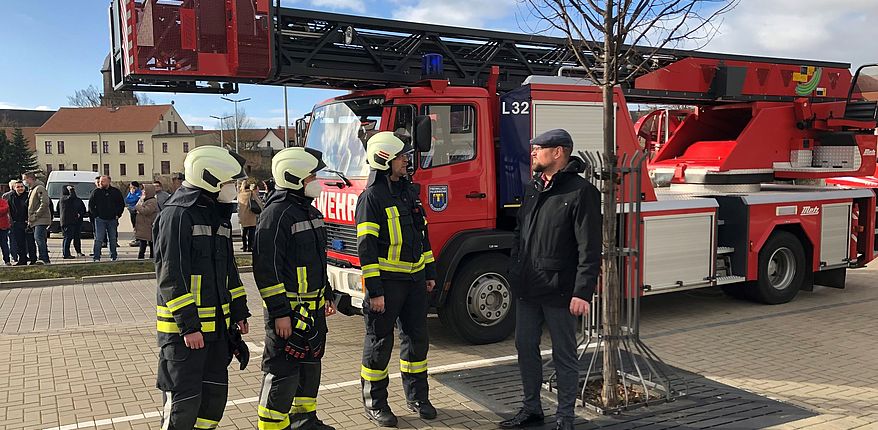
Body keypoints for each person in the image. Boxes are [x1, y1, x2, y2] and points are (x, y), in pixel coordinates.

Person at [498, 129, 601, 430]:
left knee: (564, 355)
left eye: (538, 149)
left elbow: (589, 247)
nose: (532, 153)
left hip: (561, 290)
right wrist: (515, 268)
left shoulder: (581, 193)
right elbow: (520, 233)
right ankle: (532, 409)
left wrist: (583, 291)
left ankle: (565, 418)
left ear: (558, 153)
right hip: (528, 287)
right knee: (525, 347)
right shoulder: (534, 188)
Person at [153, 145, 251, 430]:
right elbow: (171, 276)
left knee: (212, 403)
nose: (233, 188)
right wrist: (189, 326)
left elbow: (228, 272)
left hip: (217, 332)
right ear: (210, 178)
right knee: (182, 407)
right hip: (186, 336)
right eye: (228, 182)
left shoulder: (215, 215)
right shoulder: (178, 215)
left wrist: (239, 312)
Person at [356, 132, 437, 427]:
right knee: (379, 344)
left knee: (417, 341)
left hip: (414, 282)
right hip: (387, 285)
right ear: (385, 159)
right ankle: (375, 403)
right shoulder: (371, 198)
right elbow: (366, 249)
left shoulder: (408, 192)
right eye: (402, 156)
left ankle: (418, 397)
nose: (407, 161)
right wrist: (375, 291)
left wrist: (429, 273)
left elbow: (422, 235)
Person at [253, 147, 337, 430]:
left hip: (313, 310)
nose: (317, 180)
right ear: (295, 177)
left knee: (310, 368)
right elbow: (267, 270)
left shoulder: (310, 211)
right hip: (288, 313)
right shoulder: (276, 215)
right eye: (312, 175)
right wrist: (280, 313)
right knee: (282, 373)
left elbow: (317, 260)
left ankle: (304, 421)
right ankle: (271, 426)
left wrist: (326, 294)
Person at [88, 176, 125, 262]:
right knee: (99, 239)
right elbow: (91, 206)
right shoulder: (96, 192)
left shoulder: (115, 192)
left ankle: (113, 256)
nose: (100, 183)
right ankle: (96, 257)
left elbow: (121, 204)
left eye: (103, 181)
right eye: (100, 181)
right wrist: (96, 215)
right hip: (100, 219)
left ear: (108, 182)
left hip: (112, 219)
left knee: (112, 238)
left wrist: (118, 214)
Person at [23, 171, 51, 265]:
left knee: (38, 237)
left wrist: (36, 215)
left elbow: (45, 203)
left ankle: (44, 258)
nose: (24, 181)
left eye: (25, 179)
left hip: (40, 219)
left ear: (30, 179)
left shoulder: (39, 188)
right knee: (40, 238)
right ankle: (44, 258)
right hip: (36, 219)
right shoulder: (32, 189)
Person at [59, 185, 87, 259]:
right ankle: (66, 254)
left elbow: (83, 209)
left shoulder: (77, 200)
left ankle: (77, 251)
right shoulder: (64, 198)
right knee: (68, 238)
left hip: (75, 221)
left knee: (75, 237)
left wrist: (79, 214)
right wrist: (71, 190)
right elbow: (72, 197)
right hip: (67, 222)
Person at [135, 184, 159, 259]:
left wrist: (138, 206)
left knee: (150, 243)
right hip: (143, 227)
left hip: (149, 226)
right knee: (143, 243)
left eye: (144, 190)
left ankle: (152, 258)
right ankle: (141, 259)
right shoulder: (144, 199)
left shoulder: (152, 201)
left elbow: (146, 211)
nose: (143, 191)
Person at [236, 182, 263, 252]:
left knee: (244, 234)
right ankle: (250, 247)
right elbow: (258, 202)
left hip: (243, 216)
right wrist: (262, 209)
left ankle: (244, 247)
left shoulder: (239, 194)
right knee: (251, 233)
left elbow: (238, 206)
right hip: (251, 216)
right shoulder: (251, 193)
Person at [8, 181, 29, 265]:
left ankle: (32, 258)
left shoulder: (28, 196)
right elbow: (9, 210)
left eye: (22, 187)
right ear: (14, 188)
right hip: (16, 223)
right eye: (18, 187)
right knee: (19, 243)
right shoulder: (11, 197)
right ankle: (22, 260)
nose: (20, 188)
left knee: (29, 242)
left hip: (27, 222)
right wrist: (11, 221)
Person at [3, 179, 18, 262]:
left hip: (9, 220)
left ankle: (14, 256)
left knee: (12, 240)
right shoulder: (17, 195)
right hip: (16, 220)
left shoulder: (5, 196)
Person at [126, 181, 143, 247]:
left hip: (136, 211)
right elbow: (127, 200)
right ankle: (137, 238)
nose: (131, 188)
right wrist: (132, 195)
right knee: (134, 225)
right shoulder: (131, 192)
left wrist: (132, 197)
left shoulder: (139, 192)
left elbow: (136, 199)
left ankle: (139, 239)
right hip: (131, 210)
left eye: (132, 187)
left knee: (138, 225)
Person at [0, 193, 10, 265]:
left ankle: (7, 260)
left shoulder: (3, 201)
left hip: (3, 227)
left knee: (4, 244)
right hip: (3, 226)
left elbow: (5, 209)